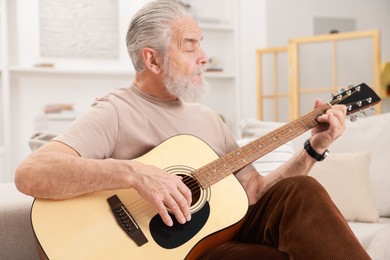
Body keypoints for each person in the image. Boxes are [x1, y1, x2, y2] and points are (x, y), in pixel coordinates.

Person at [15, 0, 370, 259]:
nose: (205, 56)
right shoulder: (116, 111)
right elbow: (31, 173)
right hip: (173, 253)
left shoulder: (208, 119)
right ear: (152, 59)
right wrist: (135, 173)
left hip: (220, 238)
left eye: (201, 43)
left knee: (301, 190)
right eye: (190, 45)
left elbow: (255, 193)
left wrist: (313, 149)